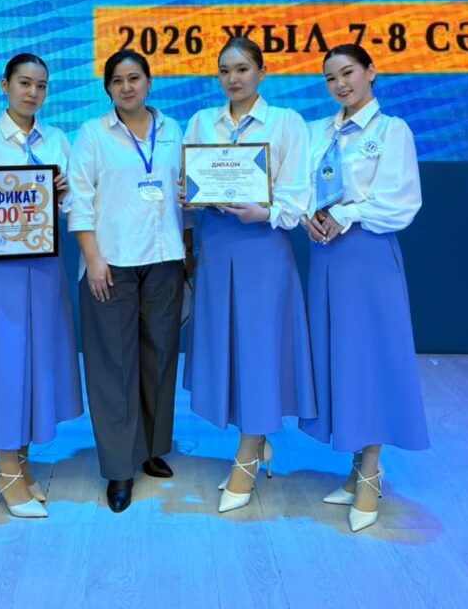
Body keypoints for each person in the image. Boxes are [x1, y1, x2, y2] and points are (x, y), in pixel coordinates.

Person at [182, 37, 316, 513]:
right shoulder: (202, 122)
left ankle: (247, 455)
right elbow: (190, 186)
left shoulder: (287, 122)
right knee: (230, 349)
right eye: (224, 70)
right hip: (217, 247)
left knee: (259, 350)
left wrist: (266, 211)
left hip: (264, 247)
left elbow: (298, 194)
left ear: (262, 71)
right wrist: (188, 193)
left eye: (241, 68)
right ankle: (255, 441)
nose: (233, 78)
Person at [299, 43, 429, 532]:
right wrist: (307, 216)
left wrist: (345, 213)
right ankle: (356, 468)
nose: (340, 84)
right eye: (330, 78)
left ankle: (371, 473)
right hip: (325, 256)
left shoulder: (392, 131)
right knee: (342, 360)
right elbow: (301, 187)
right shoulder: (318, 132)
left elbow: (399, 201)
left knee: (370, 360)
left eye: (349, 73)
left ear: (371, 72)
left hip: (367, 255)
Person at [0, 54, 83, 519]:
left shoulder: (58, 140)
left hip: (44, 268)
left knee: (34, 364)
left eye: (41, 85)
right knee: (5, 366)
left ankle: (19, 463)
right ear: (4, 85)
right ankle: (7, 469)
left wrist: (62, 193)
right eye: (24, 83)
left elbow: (72, 207)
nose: (33, 93)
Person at [68, 50, 189, 513]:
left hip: (165, 258)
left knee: (159, 360)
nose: (126, 87)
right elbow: (79, 198)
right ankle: (120, 467)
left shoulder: (173, 130)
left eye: (134, 78)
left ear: (149, 82)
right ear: (107, 89)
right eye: (117, 81)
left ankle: (151, 448)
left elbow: (185, 193)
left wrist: (188, 252)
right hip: (111, 262)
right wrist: (92, 258)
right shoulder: (93, 133)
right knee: (113, 366)